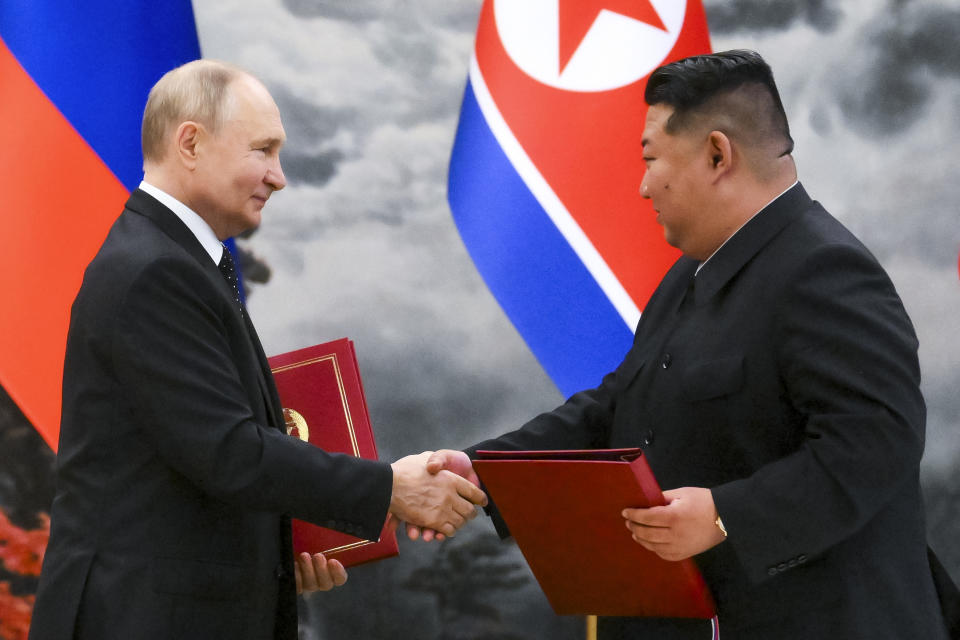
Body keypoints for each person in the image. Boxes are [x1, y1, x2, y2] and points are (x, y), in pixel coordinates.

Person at [425, 50, 954, 639]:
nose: (643, 185)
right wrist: (484, 468)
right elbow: (619, 404)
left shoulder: (826, 269)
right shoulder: (690, 273)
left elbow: (877, 443)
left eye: (651, 159)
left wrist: (728, 515)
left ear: (717, 154)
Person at [28, 60, 486, 640]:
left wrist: (281, 552)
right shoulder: (155, 271)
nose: (279, 176)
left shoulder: (176, 261)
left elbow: (188, 465)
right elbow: (228, 452)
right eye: (263, 150)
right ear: (190, 142)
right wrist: (390, 488)